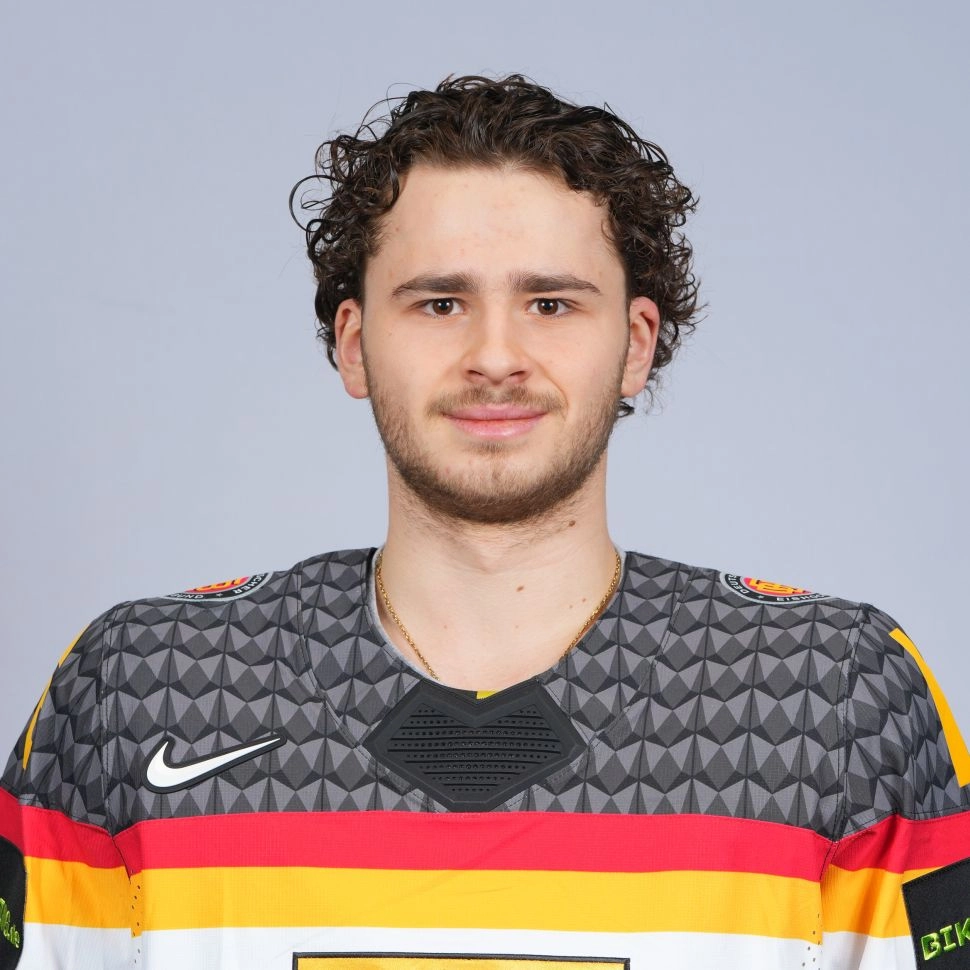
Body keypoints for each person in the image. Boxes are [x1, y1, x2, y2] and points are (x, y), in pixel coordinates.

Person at [0, 74, 967, 970]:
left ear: (636, 344)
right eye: (439, 303)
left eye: (550, 303)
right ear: (354, 344)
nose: (496, 356)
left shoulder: (833, 696)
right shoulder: (145, 688)